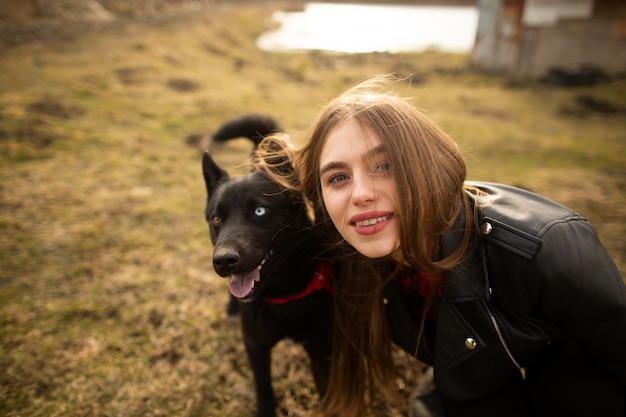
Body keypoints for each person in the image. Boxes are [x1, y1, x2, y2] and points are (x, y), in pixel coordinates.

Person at [255, 75, 626, 417]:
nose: (362, 194)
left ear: (425, 165)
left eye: (384, 166)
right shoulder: (358, 263)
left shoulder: (543, 249)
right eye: (338, 177)